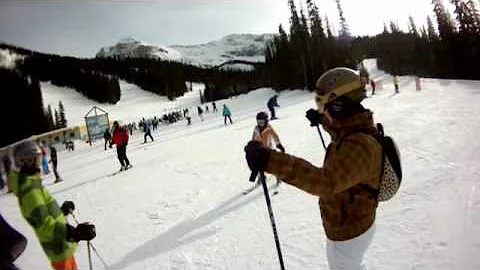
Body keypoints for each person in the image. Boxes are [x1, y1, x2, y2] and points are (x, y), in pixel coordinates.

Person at [245, 67, 383, 270]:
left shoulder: (360, 145)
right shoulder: (353, 129)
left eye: (323, 104)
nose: (322, 109)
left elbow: (326, 182)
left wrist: (270, 160)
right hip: (349, 221)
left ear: (339, 106)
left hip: (350, 229)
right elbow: (341, 130)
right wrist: (323, 121)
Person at [8, 140, 96, 270]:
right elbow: (44, 223)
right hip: (58, 248)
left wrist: (61, 211)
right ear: (26, 161)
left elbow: (43, 213)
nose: (39, 163)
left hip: (63, 245)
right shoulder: (29, 190)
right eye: (37, 159)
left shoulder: (33, 183)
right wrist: (73, 233)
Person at [251, 111, 285, 187]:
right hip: (259, 149)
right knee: (259, 164)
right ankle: (261, 177)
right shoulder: (256, 128)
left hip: (268, 148)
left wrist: (278, 144)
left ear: (266, 121)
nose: (260, 123)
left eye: (262, 121)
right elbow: (253, 138)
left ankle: (278, 176)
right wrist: (252, 146)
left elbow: (275, 136)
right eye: (258, 121)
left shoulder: (269, 128)